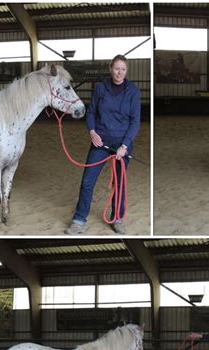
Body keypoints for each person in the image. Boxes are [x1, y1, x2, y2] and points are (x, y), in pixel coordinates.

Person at [65, 55, 141, 235]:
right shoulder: (101, 88)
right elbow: (91, 113)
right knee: (87, 181)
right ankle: (79, 220)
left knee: (120, 183)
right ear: (110, 68)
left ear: (127, 70)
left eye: (123, 69)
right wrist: (92, 131)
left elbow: (135, 121)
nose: (119, 72)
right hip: (100, 142)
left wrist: (124, 146)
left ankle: (118, 219)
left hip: (121, 145)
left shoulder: (133, 91)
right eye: (116, 68)